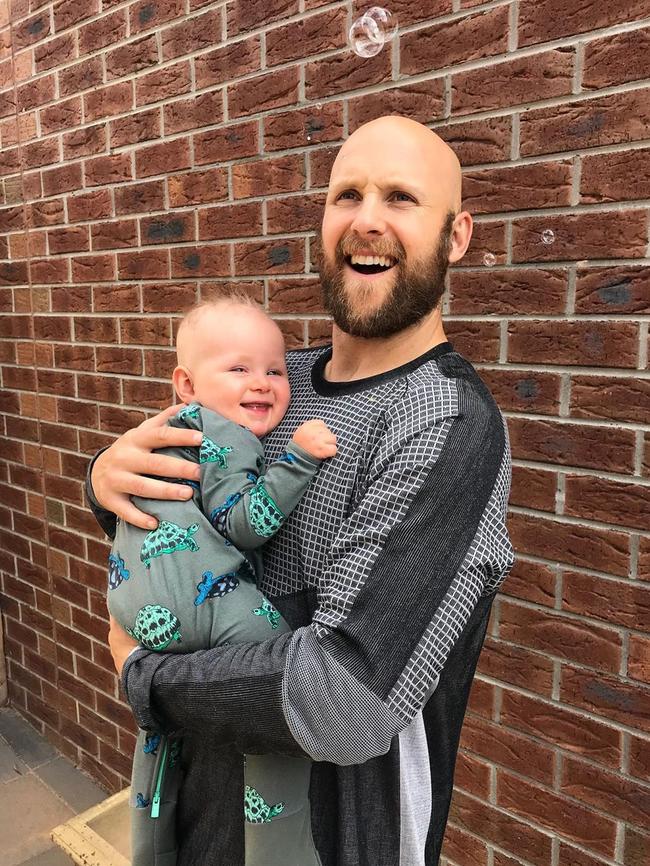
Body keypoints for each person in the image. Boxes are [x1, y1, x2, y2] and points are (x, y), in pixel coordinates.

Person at [88, 115, 515, 866]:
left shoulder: (445, 423)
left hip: (336, 832)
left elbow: (344, 699)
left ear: (457, 236)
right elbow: (178, 516)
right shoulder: (267, 383)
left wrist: (145, 678)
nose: (368, 220)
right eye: (346, 194)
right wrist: (106, 479)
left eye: (402, 198)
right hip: (202, 810)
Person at [107, 294, 336, 866]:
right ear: (186, 383)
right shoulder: (228, 435)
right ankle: (282, 848)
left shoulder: (166, 429)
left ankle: (151, 846)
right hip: (199, 600)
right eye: (239, 368)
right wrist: (300, 460)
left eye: (275, 370)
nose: (261, 383)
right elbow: (246, 522)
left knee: (160, 737)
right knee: (277, 692)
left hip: (132, 601)